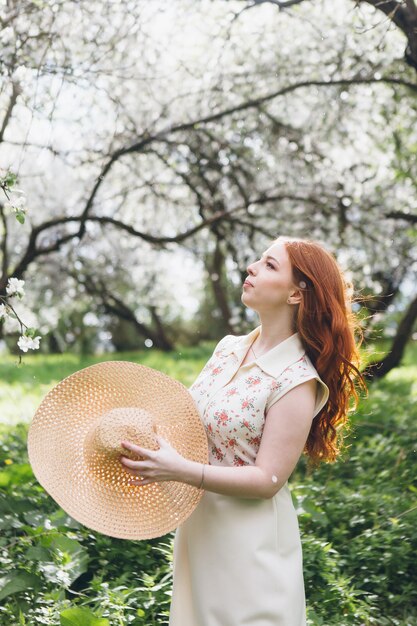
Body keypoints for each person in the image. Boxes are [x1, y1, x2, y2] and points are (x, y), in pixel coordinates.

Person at [120, 235, 367, 626]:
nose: (251, 267)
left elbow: (267, 479)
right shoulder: (229, 348)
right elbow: (194, 423)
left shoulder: (296, 379)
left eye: (270, 265)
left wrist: (178, 470)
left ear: (296, 295)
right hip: (200, 533)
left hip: (251, 548)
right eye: (258, 260)